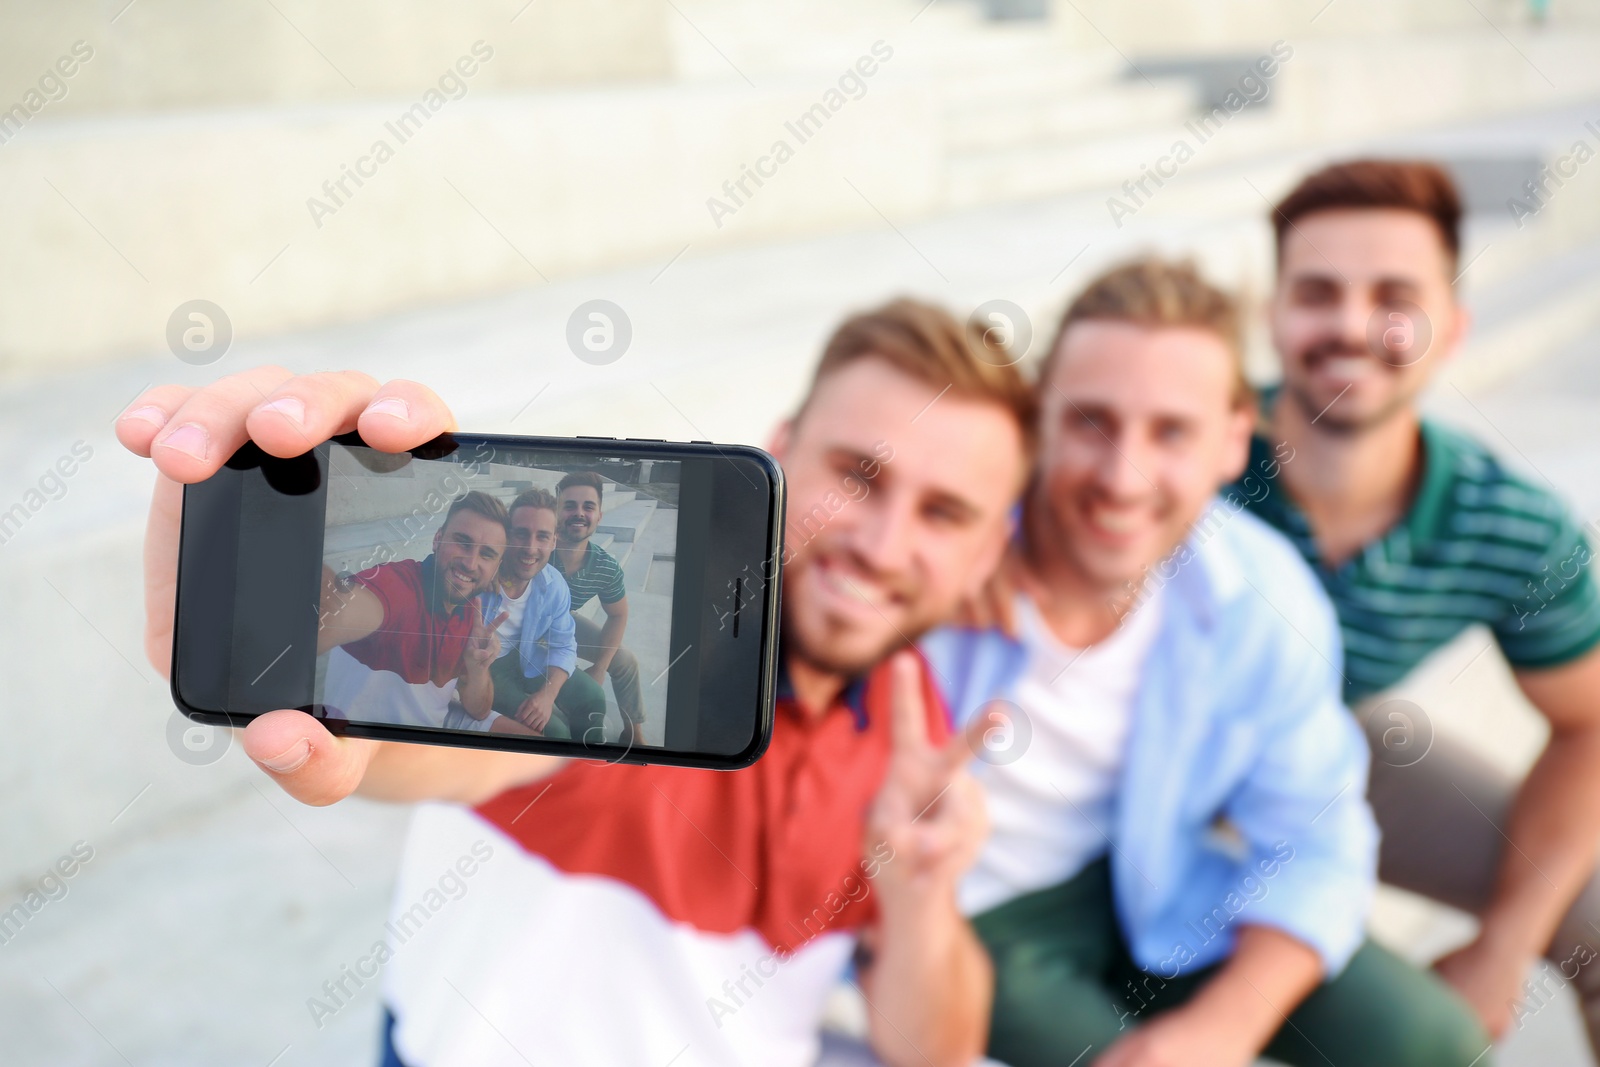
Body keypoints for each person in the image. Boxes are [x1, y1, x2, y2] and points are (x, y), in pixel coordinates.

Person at [116, 298, 1032, 1067]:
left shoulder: (920, 727)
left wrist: (921, 894)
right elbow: (436, 758)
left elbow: (934, 1050)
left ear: (989, 550)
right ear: (783, 445)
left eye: (945, 513)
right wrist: (334, 702)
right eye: (859, 476)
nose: (881, 543)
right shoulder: (619, 668)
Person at [926, 258, 1489, 1065]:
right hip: (977, 911)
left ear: (1232, 441)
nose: (1123, 477)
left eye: (1171, 432)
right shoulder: (946, 550)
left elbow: (1315, 837)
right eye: (1090, 421)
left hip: (1147, 873)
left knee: (1432, 1042)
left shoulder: (1257, 595)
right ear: (1038, 417)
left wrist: (1220, 1027)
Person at [1234, 158, 1600, 1047]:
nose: (1353, 325)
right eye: (1317, 292)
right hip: (1142, 752)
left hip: (1326, 741)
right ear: (1275, 316)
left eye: (1394, 295)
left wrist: (1502, 949)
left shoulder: (1509, 525)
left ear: (1454, 327)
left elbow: (1590, 722)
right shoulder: (1186, 450)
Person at [318, 489, 529, 736]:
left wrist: (477, 667)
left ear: (496, 568)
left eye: (486, 554)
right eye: (463, 542)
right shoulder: (397, 586)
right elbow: (339, 612)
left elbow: (480, 711)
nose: (471, 563)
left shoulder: (471, 612)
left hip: (435, 721)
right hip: (363, 737)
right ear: (438, 539)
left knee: (538, 745)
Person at [467, 487, 608, 741]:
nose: (530, 548)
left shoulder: (552, 585)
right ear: (507, 534)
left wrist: (547, 695)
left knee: (593, 698)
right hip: (485, 665)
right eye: (521, 533)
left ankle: (590, 765)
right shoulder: (479, 573)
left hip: (526, 654)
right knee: (553, 732)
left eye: (542, 536)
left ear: (554, 541)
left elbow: (564, 645)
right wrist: (483, 573)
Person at [548, 470, 647, 744]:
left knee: (625, 661)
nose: (579, 513)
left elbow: (618, 614)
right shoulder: (538, 547)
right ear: (556, 511)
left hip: (564, 620)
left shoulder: (604, 566)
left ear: (599, 515)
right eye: (569, 505)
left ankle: (633, 732)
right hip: (522, 624)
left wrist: (600, 667)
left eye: (588, 506)